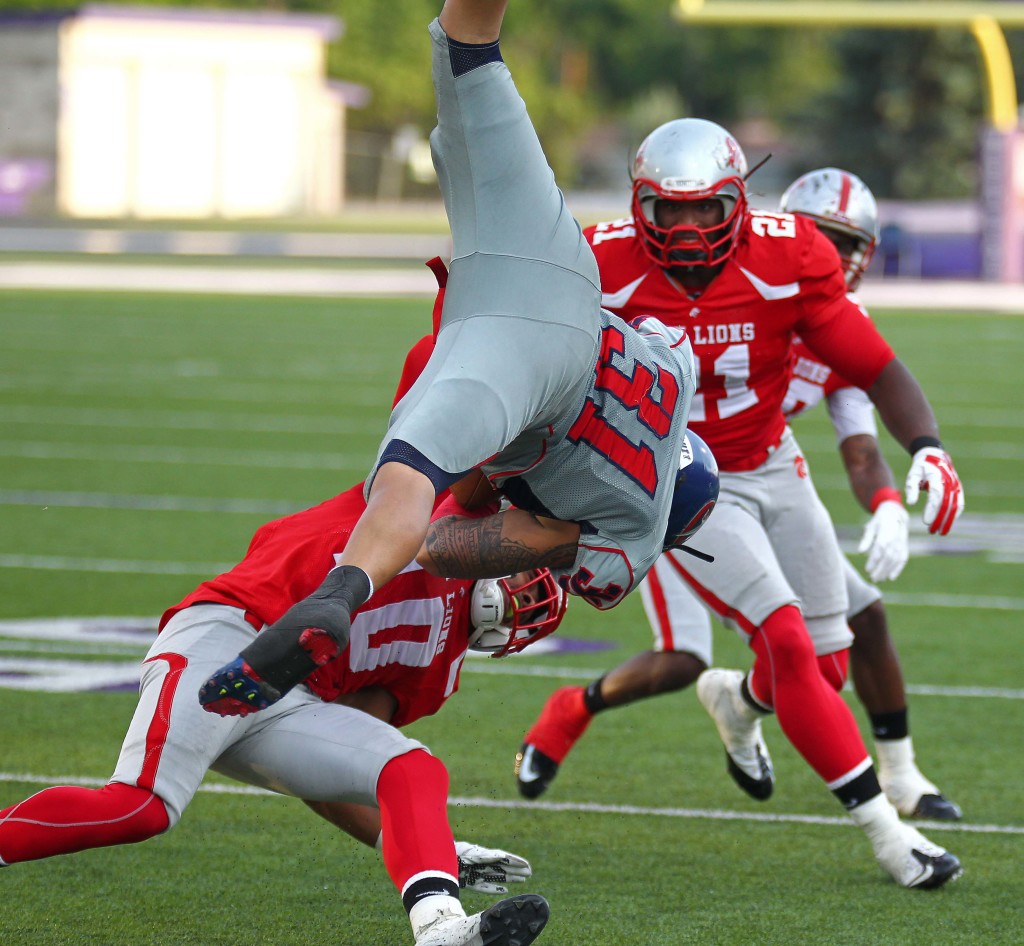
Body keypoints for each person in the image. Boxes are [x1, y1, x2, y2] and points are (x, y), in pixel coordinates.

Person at [199, 0, 703, 724]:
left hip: (563, 276)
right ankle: (342, 592)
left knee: (469, 44)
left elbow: (659, 333)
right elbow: (445, 542)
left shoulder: (676, 374)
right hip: (528, 368)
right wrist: (541, 536)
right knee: (409, 474)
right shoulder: (626, 540)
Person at [515, 120, 965, 890]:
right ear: (639, 205)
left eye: (705, 210)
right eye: (669, 211)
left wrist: (926, 446)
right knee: (787, 642)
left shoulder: (792, 254)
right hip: (680, 481)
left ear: (739, 202)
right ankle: (890, 839)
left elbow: (875, 366)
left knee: (824, 666)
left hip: (773, 465)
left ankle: (735, 700)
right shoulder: (598, 263)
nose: (687, 230)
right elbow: (535, 377)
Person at [0, 478, 565, 946]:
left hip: (287, 704)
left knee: (413, 771)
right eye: (528, 565)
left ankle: (439, 924)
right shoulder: (441, 510)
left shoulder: (437, 673)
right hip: (234, 637)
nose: (521, 575)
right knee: (140, 810)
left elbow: (331, 777)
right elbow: (462, 417)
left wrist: (432, 850)